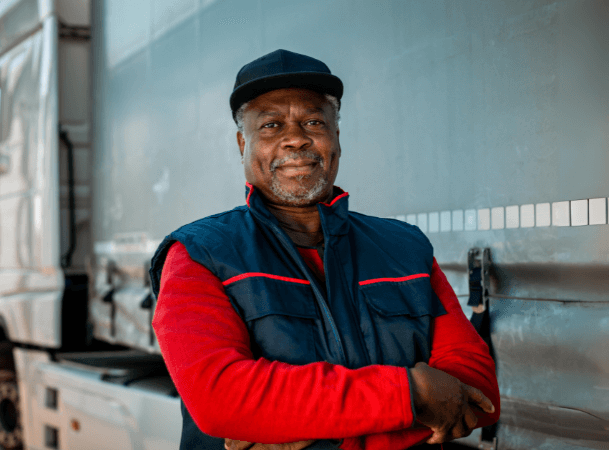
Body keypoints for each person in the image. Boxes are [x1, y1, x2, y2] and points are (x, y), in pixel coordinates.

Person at [149, 49, 500, 450]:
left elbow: (478, 392)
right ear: (242, 143)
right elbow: (222, 401)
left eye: (313, 121)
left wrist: (305, 430)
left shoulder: (404, 247)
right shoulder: (200, 255)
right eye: (271, 125)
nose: (295, 138)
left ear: (335, 136)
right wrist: (413, 397)